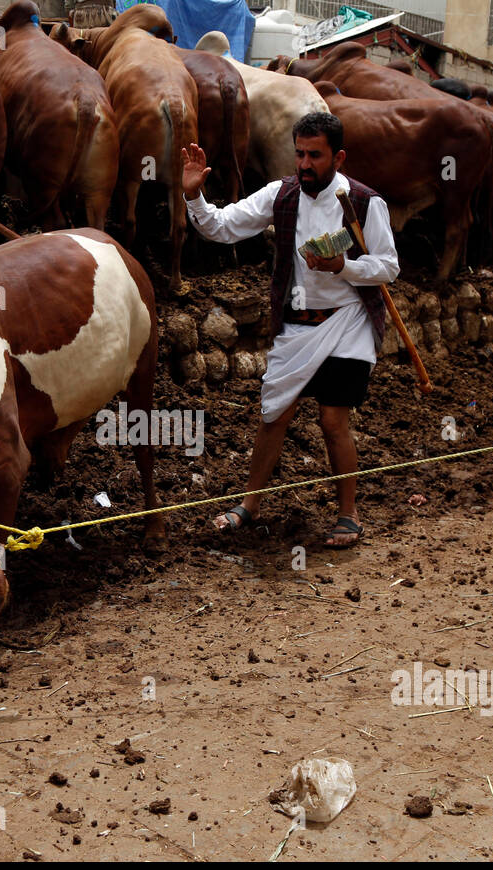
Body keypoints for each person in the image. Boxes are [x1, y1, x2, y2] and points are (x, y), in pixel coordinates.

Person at [180, 112, 399, 548]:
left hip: (347, 321)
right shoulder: (282, 195)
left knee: (332, 419)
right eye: (299, 153)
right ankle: (250, 504)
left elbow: (388, 266)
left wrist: (345, 265)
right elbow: (222, 227)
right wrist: (195, 197)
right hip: (297, 327)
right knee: (274, 415)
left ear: (337, 156)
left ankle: (348, 515)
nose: (303, 164)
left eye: (314, 156)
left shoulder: (362, 201)